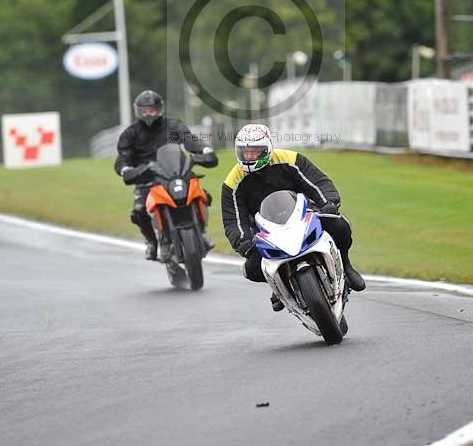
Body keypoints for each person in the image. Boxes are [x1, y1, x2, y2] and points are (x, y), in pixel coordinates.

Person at [221, 123, 365, 311]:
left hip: (303, 214)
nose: (250, 156)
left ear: (267, 149)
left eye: (255, 151)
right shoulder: (233, 181)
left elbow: (318, 181)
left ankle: (345, 265)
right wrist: (242, 242)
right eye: (245, 152)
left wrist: (328, 202)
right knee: (251, 269)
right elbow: (233, 219)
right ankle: (279, 286)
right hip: (265, 230)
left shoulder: (289, 159)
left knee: (340, 226)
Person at [115, 90, 218, 260]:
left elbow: (190, 140)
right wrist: (126, 169)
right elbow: (123, 158)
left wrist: (204, 150)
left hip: (177, 173)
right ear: (138, 111)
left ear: (159, 109)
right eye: (145, 110)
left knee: (202, 195)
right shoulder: (131, 134)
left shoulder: (173, 126)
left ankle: (202, 232)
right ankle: (152, 242)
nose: (149, 113)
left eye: (152, 109)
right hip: (146, 179)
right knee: (139, 210)